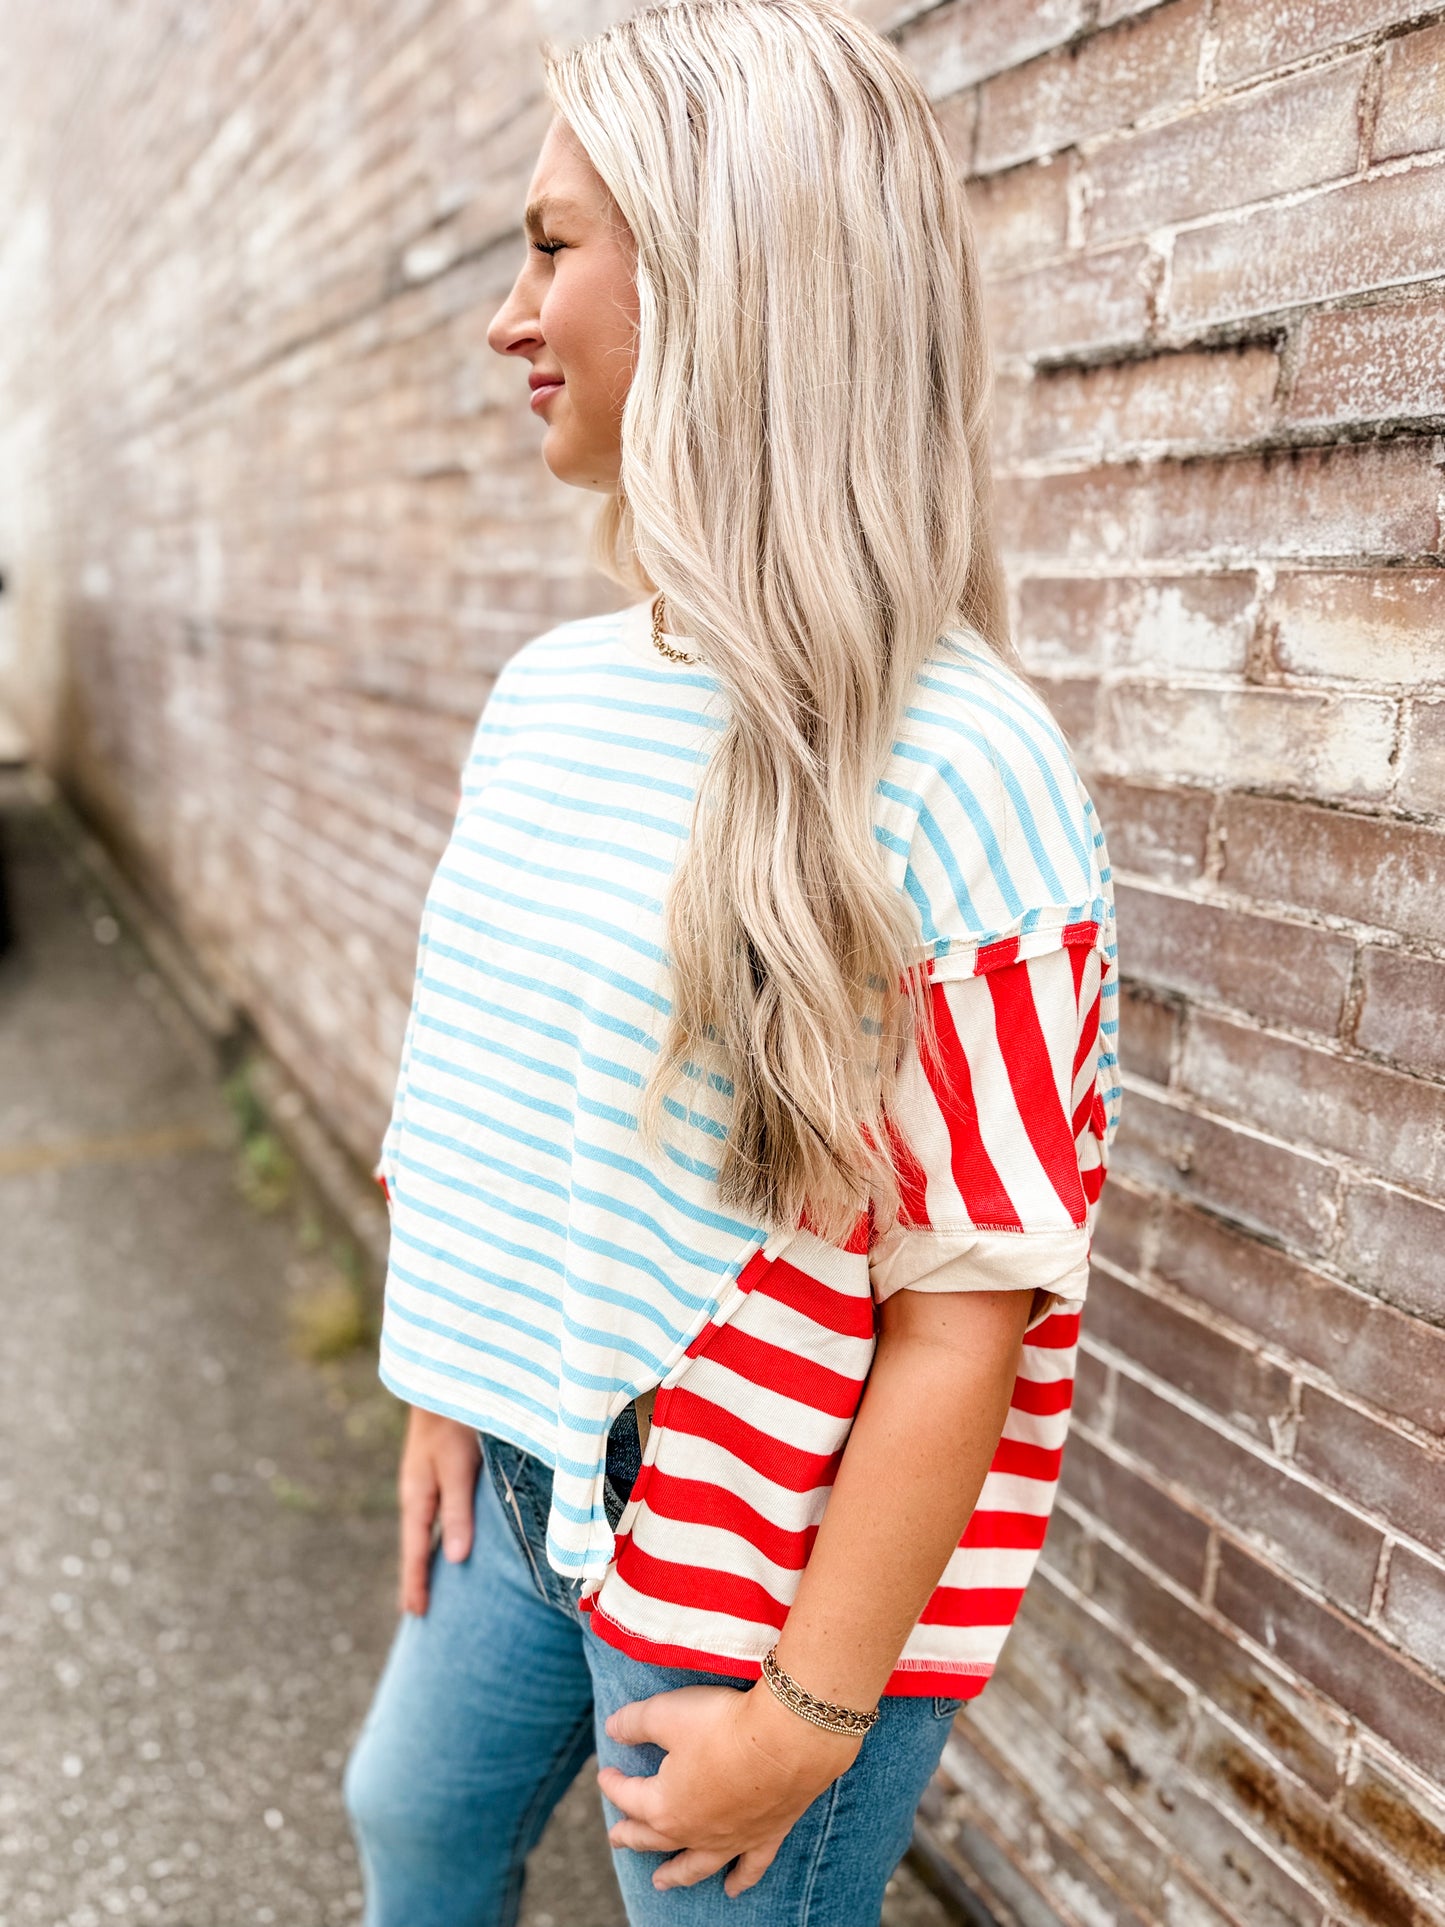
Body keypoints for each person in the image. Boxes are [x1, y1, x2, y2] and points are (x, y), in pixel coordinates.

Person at [342, 1, 1120, 1922]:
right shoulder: (548, 698)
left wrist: (805, 1711)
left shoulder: (967, 766)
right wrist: (451, 1378)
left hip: (766, 1581)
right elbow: (497, 1105)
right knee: (413, 1822)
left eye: (549, 246)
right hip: (516, 1478)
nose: (507, 318)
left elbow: (974, 1306)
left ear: (724, 280)